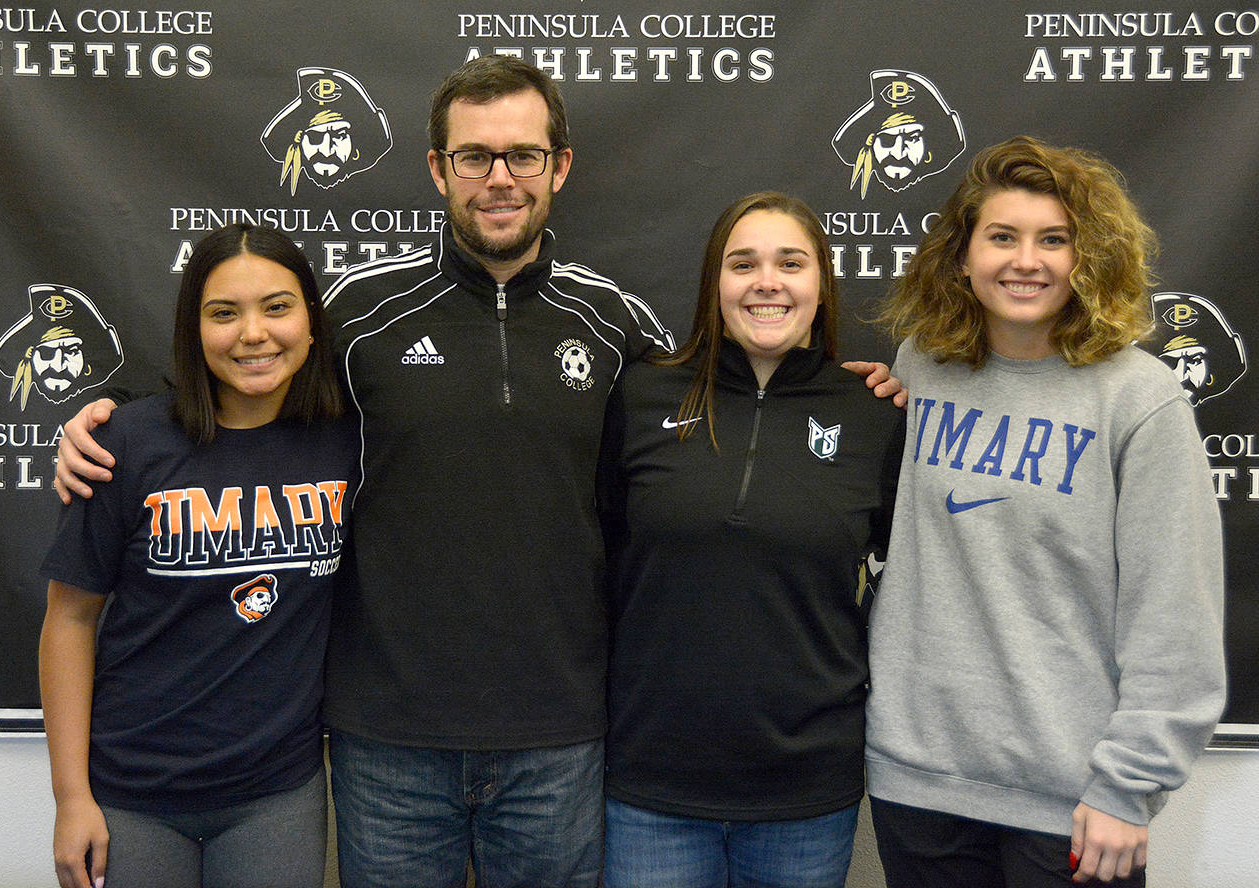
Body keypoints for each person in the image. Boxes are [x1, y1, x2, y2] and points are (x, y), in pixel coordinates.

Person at [52, 56, 902, 888]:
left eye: (523, 155)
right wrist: (108, 414)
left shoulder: (616, 325)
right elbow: (241, 383)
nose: (500, 178)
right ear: (438, 168)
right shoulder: (356, 315)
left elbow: (731, 392)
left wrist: (849, 387)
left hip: (561, 739)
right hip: (386, 740)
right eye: (474, 157)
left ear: (558, 167)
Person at [865, 136, 1226, 887]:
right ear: (961, 256)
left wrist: (1131, 786)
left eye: (1053, 240)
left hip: (1074, 804)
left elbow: (1176, 618)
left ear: (1086, 257)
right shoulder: (920, 367)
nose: (1025, 261)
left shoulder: (1139, 397)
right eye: (1002, 237)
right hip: (917, 787)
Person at [598, 192, 905, 888]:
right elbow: (598, 560)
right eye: (744, 264)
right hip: (652, 784)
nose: (767, 281)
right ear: (715, 285)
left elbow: (908, 584)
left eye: (790, 263)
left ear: (821, 285)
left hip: (805, 794)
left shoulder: (874, 416)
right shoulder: (643, 397)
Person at [38, 223, 354, 888]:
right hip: (133, 794)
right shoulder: (122, 443)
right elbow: (68, 622)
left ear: (312, 320)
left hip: (277, 795)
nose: (253, 334)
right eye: (223, 313)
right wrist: (71, 798)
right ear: (193, 328)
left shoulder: (348, 439)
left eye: (277, 306)